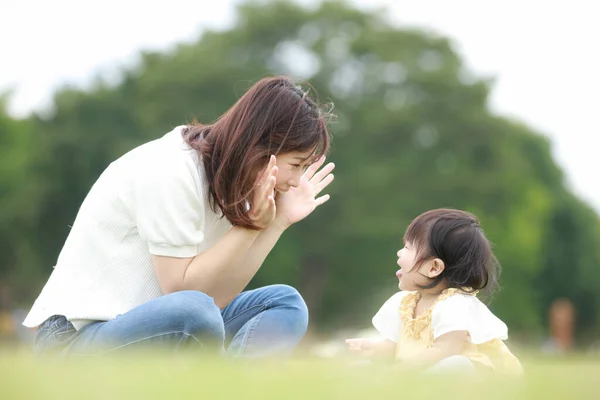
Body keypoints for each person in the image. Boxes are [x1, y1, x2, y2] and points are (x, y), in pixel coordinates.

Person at [23, 76, 335, 358]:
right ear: (262, 145)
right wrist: (252, 226)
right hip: (75, 340)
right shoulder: (173, 169)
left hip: (161, 330)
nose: (296, 181)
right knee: (194, 309)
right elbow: (183, 295)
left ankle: (234, 390)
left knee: (285, 303)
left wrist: (276, 222)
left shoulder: (232, 182)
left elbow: (218, 299)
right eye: (296, 164)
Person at [346, 208, 523, 374]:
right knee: (362, 367)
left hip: (465, 378)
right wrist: (372, 349)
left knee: (456, 365)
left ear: (434, 268)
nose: (399, 253)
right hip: (417, 372)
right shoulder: (403, 303)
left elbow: (445, 350)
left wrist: (402, 371)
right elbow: (394, 347)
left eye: (407, 248)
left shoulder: (454, 304)